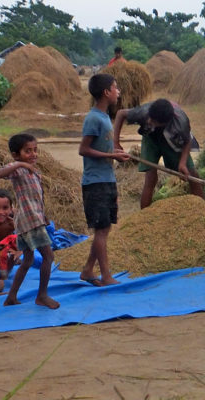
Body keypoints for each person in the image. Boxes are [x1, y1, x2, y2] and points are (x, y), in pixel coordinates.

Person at [0, 134, 59, 309]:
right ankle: (42, 296)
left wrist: (43, 214)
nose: (33, 154)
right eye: (27, 151)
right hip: (30, 222)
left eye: (35, 150)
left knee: (28, 260)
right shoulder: (19, 170)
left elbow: (37, 197)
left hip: (33, 220)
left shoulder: (35, 173)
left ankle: (11, 297)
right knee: (48, 256)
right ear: (16, 155)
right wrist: (21, 164)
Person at [79, 74, 132, 286]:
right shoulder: (93, 118)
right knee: (100, 230)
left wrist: (115, 150)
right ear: (106, 92)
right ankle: (106, 275)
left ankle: (88, 270)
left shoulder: (104, 118)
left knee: (105, 228)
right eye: (115, 88)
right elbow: (83, 149)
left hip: (107, 179)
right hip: (95, 182)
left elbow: (101, 145)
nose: (118, 92)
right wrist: (112, 156)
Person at [114, 99, 203, 209]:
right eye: (150, 117)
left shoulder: (181, 122)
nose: (149, 120)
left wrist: (183, 163)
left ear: (165, 122)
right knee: (150, 178)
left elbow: (187, 140)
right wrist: (116, 143)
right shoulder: (145, 112)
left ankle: (201, 209)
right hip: (151, 139)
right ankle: (143, 215)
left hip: (172, 142)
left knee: (192, 175)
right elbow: (120, 114)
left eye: (153, 120)